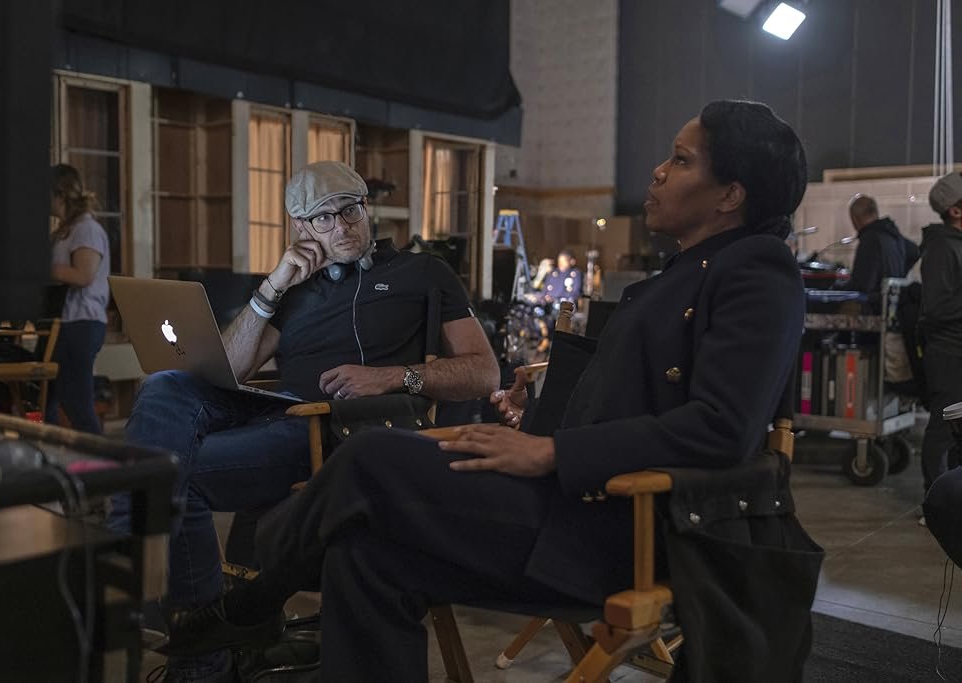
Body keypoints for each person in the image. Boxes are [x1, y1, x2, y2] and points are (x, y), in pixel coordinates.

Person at [167, 100, 809, 681]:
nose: (659, 171)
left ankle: (252, 602)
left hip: (624, 528)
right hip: (574, 500)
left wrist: (552, 451)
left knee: (371, 457)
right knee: (362, 557)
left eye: (681, 159)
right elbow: (639, 394)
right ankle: (262, 595)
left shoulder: (758, 270)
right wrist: (544, 409)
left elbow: (723, 428)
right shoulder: (685, 273)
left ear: (730, 194)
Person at [111, 160, 499, 681]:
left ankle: (196, 654)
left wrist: (391, 377)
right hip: (281, 412)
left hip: (341, 427)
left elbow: (484, 372)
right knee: (164, 384)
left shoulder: (423, 273)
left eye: (350, 210)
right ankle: (131, 543)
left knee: (179, 476)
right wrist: (272, 287)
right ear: (300, 227)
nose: (342, 227)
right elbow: (230, 371)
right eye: (323, 218)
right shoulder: (296, 288)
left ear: (366, 208)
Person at [47, 164, 110, 433]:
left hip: (82, 322)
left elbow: (84, 275)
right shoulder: (66, 230)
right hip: (64, 323)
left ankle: (98, 457)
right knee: (48, 398)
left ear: (59, 194)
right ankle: (52, 451)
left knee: (77, 404)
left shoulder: (87, 229)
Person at [918, 171, 962, 497]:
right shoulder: (941, 248)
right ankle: (935, 500)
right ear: (955, 210)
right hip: (948, 352)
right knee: (944, 429)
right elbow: (935, 307)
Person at [834, 195, 919, 310]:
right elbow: (914, 251)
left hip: (873, 308)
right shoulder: (892, 234)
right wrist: (897, 279)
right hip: (894, 306)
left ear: (854, 219)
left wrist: (837, 287)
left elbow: (861, 285)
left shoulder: (870, 239)